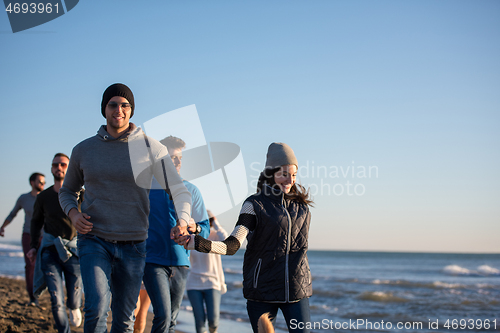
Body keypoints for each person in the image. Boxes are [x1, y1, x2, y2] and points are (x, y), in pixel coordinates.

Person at [59, 83, 193, 333]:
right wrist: (73, 213)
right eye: (113, 104)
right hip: (93, 238)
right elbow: (67, 191)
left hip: (134, 244)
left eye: (125, 105)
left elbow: (179, 190)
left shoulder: (152, 148)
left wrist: (183, 220)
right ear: (104, 109)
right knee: (97, 307)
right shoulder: (83, 149)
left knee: (124, 317)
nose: (118, 110)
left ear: (131, 111)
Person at [183, 142, 313, 333]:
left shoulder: (302, 208)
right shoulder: (254, 205)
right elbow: (232, 245)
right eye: (284, 174)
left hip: (296, 289)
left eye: (293, 175)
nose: (290, 180)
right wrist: (196, 243)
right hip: (262, 290)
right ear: (271, 173)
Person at [143, 135, 210, 333]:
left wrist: (194, 227)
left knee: (171, 320)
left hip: (181, 263)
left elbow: (204, 228)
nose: (178, 161)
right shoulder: (145, 189)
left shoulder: (191, 190)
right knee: (163, 315)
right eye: (172, 157)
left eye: (180, 157)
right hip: (152, 260)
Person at [27, 153, 82, 333]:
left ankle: (74, 306)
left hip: (74, 251)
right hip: (50, 250)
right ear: (51, 169)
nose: (59, 168)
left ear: (69, 168)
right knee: (56, 299)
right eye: (56, 165)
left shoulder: (80, 194)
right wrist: (34, 247)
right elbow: (35, 222)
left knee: (74, 297)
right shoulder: (43, 197)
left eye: (63, 165)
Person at [1, 172, 45, 305]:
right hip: (28, 235)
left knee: (42, 265)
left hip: (44, 236)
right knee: (30, 265)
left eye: (44, 182)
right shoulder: (23, 198)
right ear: (32, 182)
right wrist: (2, 227)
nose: (43, 184)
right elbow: (12, 213)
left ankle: (39, 291)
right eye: (40, 182)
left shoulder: (46, 197)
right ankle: (33, 297)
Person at [186, 210, 228, 333]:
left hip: (212, 283)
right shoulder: (191, 238)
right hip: (193, 284)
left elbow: (226, 239)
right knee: (199, 322)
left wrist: (215, 222)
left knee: (214, 321)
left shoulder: (215, 236)